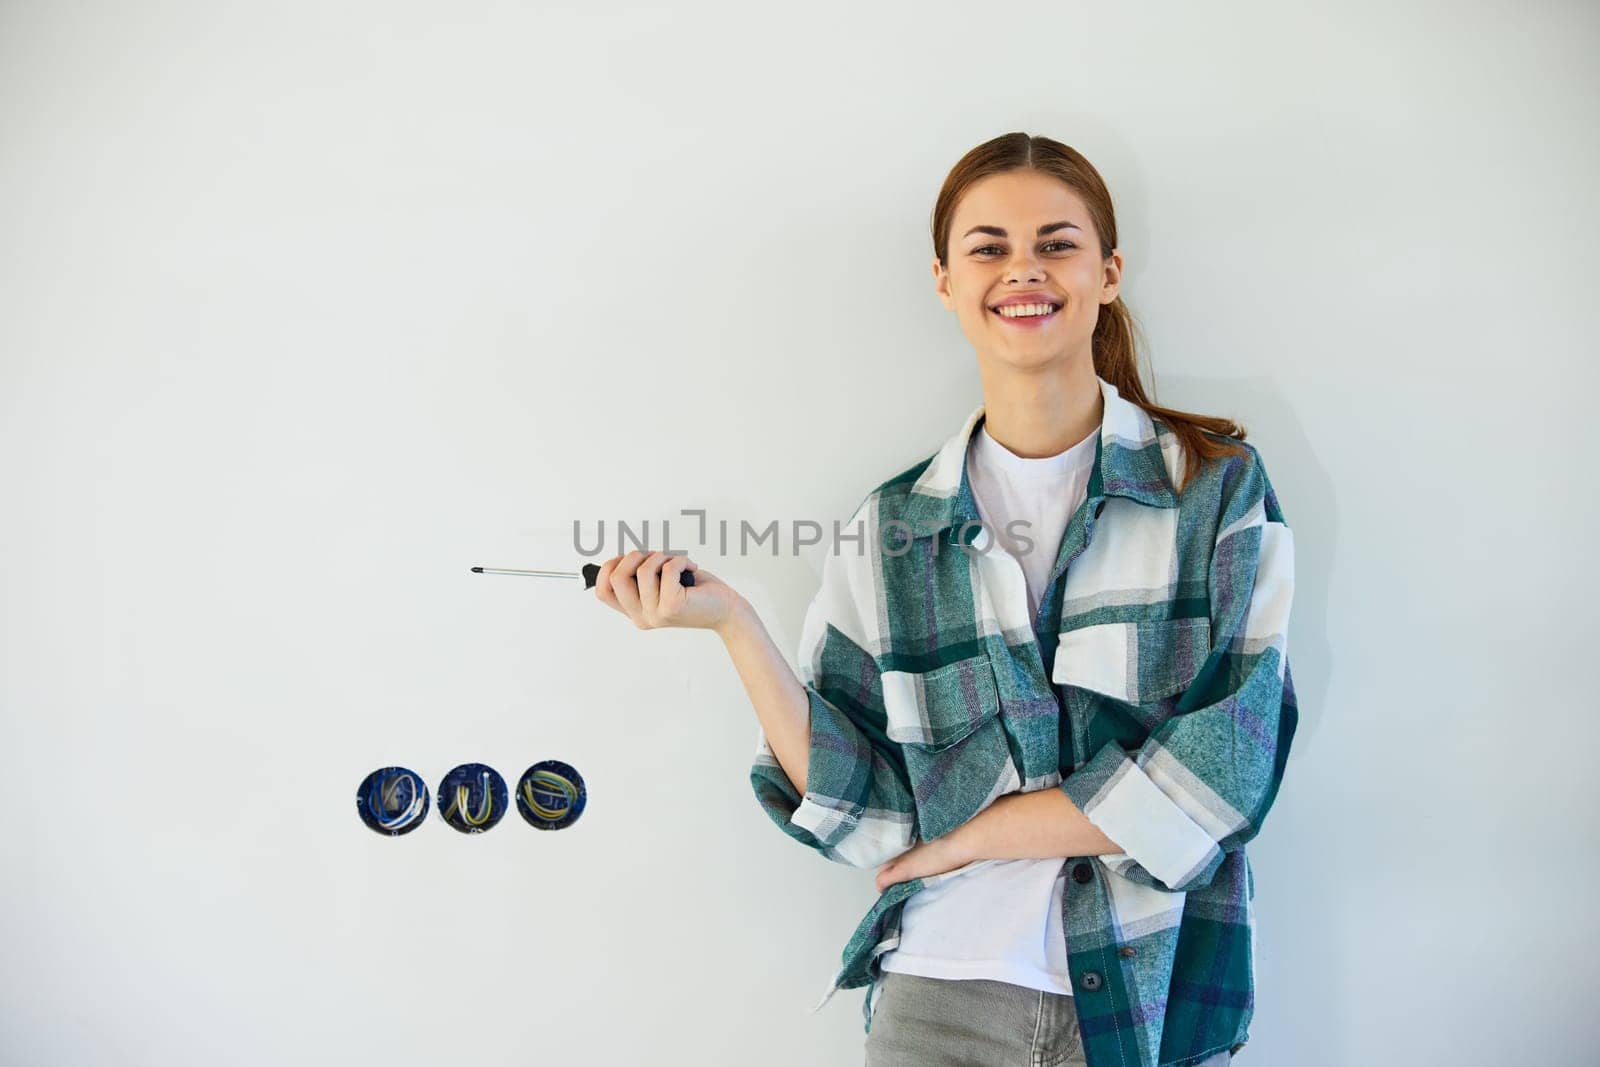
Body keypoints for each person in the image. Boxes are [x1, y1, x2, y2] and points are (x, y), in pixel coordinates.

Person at [589, 131, 1297, 1067]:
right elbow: (872, 814)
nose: (1024, 270)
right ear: (944, 280)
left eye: (1057, 242)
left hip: (1143, 996)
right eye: (989, 246)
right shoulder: (892, 526)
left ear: (1109, 271)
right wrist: (732, 623)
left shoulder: (1213, 492)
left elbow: (1227, 769)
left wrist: (970, 840)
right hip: (937, 999)